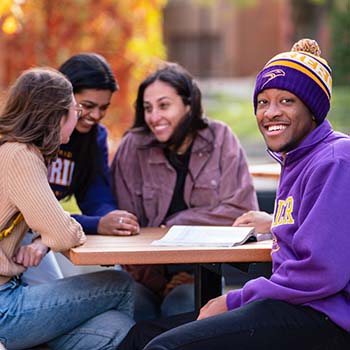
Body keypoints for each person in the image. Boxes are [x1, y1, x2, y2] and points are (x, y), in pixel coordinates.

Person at [120, 39, 350, 349]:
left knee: (163, 347)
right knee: (140, 337)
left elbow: (321, 272)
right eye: (263, 102)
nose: (270, 113)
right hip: (290, 304)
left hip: (324, 317)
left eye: (286, 101)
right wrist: (272, 223)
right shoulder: (296, 158)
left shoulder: (335, 159)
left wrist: (234, 300)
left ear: (313, 109)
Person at [110, 62, 258, 321]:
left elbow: (242, 213)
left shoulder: (221, 139)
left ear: (189, 104)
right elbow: (123, 226)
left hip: (200, 273)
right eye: (148, 108)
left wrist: (175, 225)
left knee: (182, 305)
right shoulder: (132, 147)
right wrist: (157, 282)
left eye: (164, 105)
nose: (154, 117)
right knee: (133, 309)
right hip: (142, 277)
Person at [0, 67, 135, 349]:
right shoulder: (20, 156)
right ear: (56, 115)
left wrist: (47, 232)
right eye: (76, 108)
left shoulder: (12, 150)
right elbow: (63, 234)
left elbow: (49, 221)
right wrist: (67, 225)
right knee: (120, 284)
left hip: (10, 296)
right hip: (5, 309)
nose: (83, 116)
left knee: (116, 328)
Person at [21, 53, 140, 285]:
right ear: (62, 98)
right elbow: (30, 213)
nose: (96, 116)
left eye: (104, 108)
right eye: (87, 106)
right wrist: (96, 224)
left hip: (45, 233)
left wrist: (112, 219)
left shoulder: (95, 137)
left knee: (113, 281)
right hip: (17, 231)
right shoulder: (25, 138)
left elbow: (95, 194)